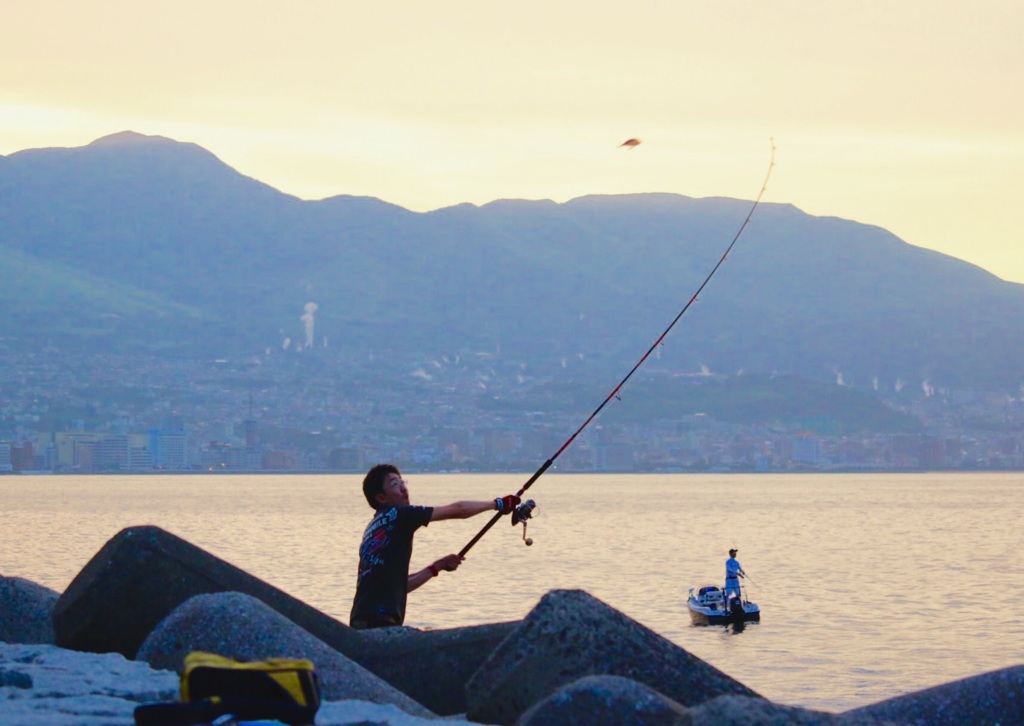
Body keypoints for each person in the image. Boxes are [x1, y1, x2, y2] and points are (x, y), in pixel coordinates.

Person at [349, 463, 521, 629]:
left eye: (403, 482)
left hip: (360, 619)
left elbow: (401, 586)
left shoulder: (372, 529)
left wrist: (437, 567)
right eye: (395, 484)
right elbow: (458, 510)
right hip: (381, 620)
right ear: (381, 497)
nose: (403, 488)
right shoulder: (401, 514)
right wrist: (497, 504)